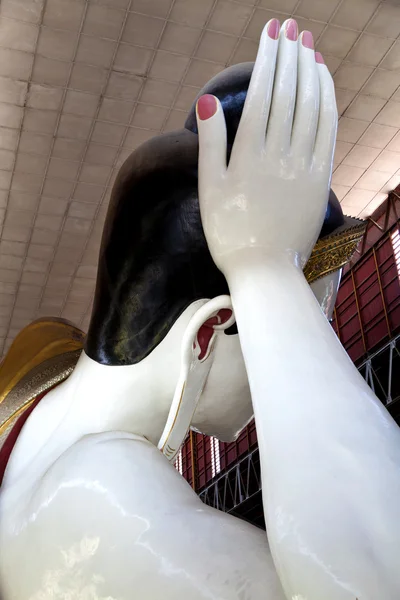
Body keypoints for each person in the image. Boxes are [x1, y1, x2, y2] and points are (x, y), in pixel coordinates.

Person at [0, 18, 388, 600]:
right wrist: (262, 265)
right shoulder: (109, 512)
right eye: (292, 326)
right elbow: (375, 579)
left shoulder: (41, 372)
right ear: (208, 333)